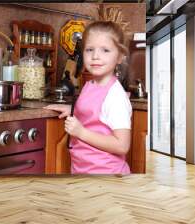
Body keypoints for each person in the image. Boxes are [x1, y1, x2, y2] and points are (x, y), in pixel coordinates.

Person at [44, 21, 132, 174]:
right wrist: (72, 110)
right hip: (83, 170)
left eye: (105, 50)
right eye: (89, 49)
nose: (95, 56)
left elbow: (122, 145)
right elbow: (93, 113)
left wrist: (81, 133)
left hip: (106, 175)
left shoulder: (115, 96)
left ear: (119, 57)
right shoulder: (90, 85)